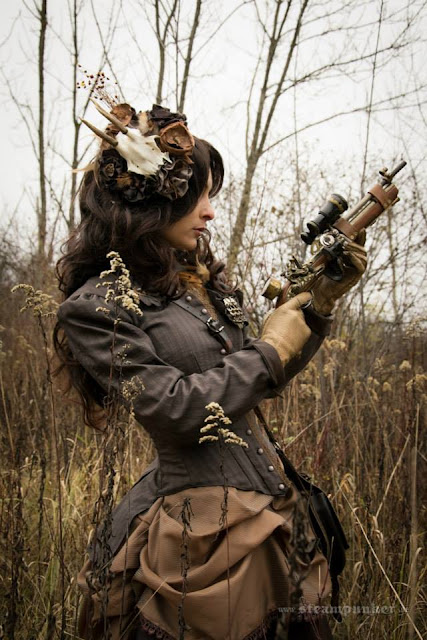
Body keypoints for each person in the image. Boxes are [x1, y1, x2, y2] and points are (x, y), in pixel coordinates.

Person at [54, 101, 367, 640]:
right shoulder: (95, 306)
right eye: (199, 196)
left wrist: (317, 309)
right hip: (203, 539)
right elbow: (172, 409)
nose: (210, 212)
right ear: (152, 203)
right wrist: (268, 351)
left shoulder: (196, 283)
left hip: (278, 511)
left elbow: (263, 374)